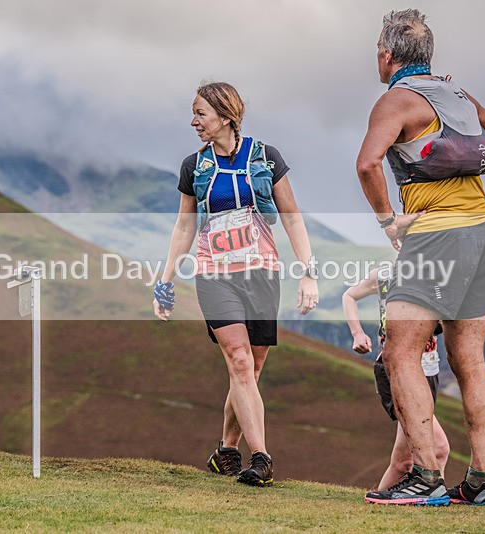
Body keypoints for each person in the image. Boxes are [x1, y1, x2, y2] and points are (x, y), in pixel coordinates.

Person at [356, 9, 485, 505]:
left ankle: (425, 477)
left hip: (436, 237)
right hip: (481, 238)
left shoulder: (397, 101)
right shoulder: (458, 96)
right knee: (470, 359)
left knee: (399, 351)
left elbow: (368, 164)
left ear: (386, 55)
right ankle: (480, 483)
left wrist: (389, 222)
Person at [153, 81, 318, 487]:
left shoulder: (265, 158)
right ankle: (261, 458)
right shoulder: (194, 167)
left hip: (262, 274)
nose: (194, 122)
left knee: (252, 368)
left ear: (226, 116)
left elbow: (292, 216)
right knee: (240, 361)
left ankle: (226, 450)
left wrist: (308, 272)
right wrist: (165, 281)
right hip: (214, 275)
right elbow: (183, 226)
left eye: (200, 114)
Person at [341, 268, 449, 490]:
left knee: (403, 462)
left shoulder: (438, 274)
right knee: (438, 448)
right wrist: (357, 333)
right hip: (395, 371)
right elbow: (349, 295)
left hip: (429, 372)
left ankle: (377, 508)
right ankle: (433, 499)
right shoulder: (384, 276)